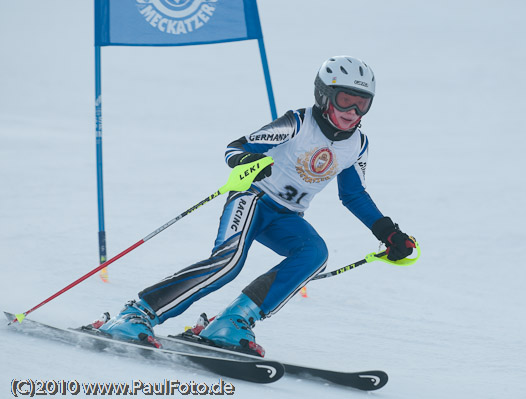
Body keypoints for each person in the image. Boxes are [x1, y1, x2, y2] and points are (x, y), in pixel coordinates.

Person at [95, 56, 416, 356]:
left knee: (314, 253)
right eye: (346, 100)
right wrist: (248, 160)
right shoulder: (297, 123)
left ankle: (231, 322)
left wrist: (389, 233)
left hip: (286, 217)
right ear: (325, 95)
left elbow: (354, 195)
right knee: (229, 262)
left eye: (362, 104)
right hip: (253, 199)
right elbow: (236, 148)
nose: (353, 112)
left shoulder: (357, 145)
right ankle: (137, 313)